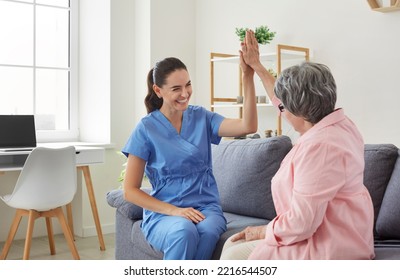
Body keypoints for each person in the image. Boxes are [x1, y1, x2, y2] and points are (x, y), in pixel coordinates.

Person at [220, 30, 375, 260]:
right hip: (341, 232)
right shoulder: (339, 124)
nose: (280, 110)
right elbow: (287, 101)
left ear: (300, 112)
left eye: (283, 108)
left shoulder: (320, 148)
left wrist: (262, 231)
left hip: (327, 245)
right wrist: (257, 67)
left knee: (233, 254)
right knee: (232, 247)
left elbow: (301, 223)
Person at [121, 54, 257, 260]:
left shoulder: (202, 117)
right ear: (158, 91)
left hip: (206, 208)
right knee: (183, 230)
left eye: (188, 85)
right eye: (176, 89)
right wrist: (175, 211)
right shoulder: (146, 128)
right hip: (164, 213)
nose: (185, 93)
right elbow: (130, 191)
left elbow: (248, 126)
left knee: (208, 230)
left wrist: (247, 76)